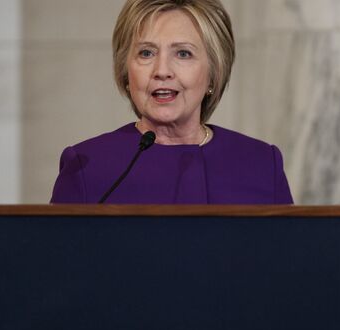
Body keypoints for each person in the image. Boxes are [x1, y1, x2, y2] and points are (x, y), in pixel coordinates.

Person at [50, 0, 293, 204]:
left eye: (183, 53)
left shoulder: (260, 164)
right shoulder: (86, 166)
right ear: (126, 73)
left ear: (213, 73)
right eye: (146, 53)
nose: (162, 70)